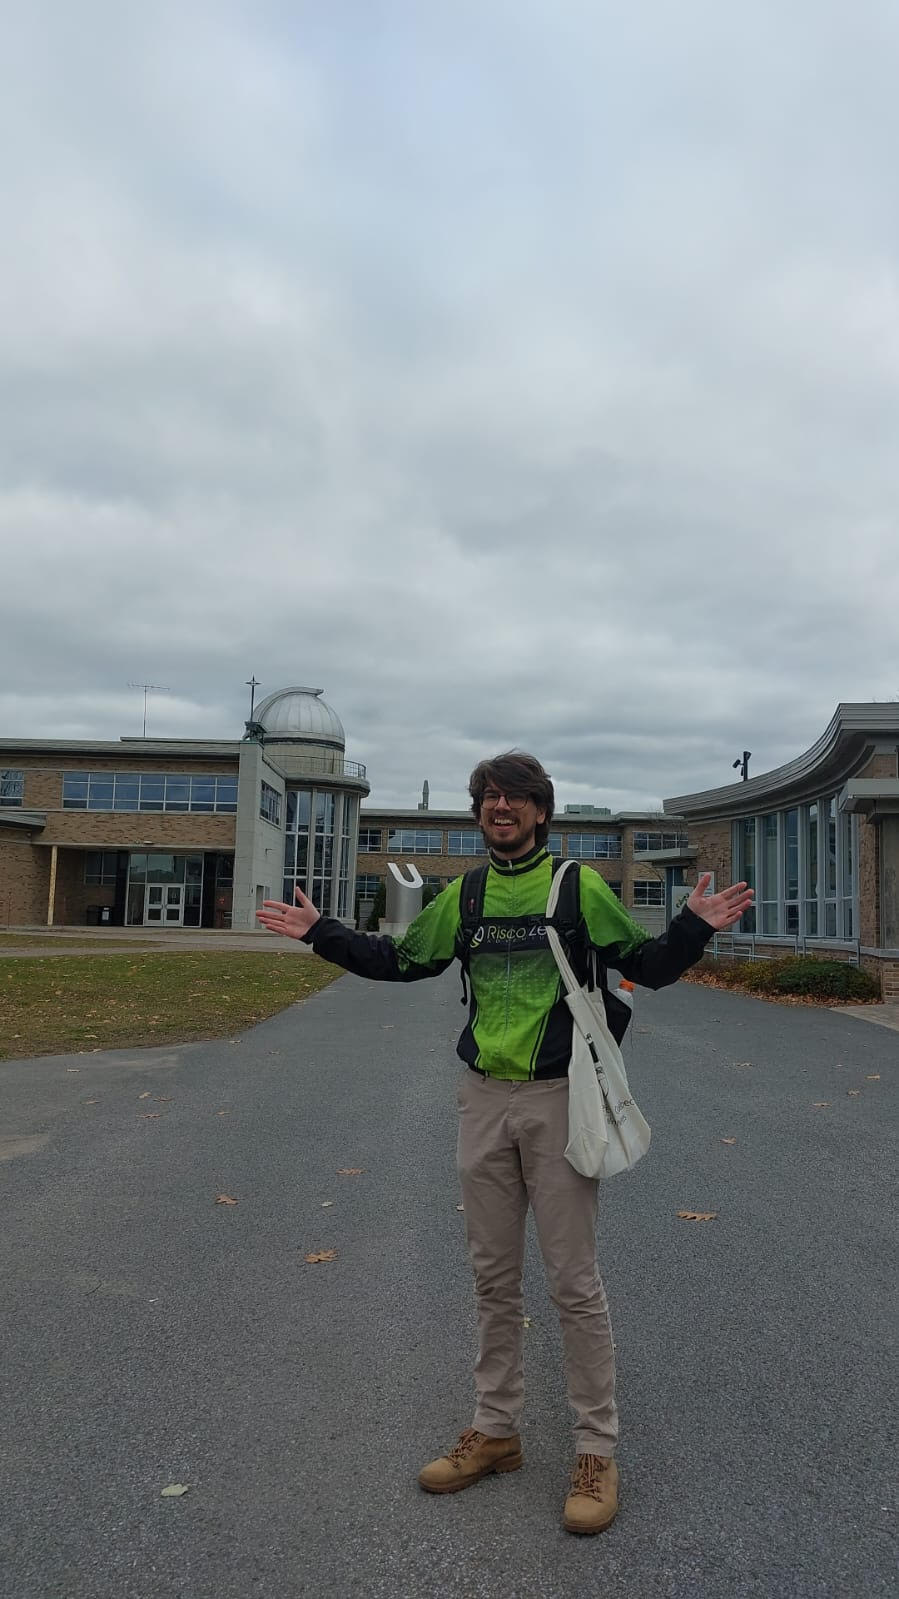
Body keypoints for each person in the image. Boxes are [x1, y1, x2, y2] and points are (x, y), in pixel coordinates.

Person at [257, 752, 753, 1535]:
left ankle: (595, 1447)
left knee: (572, 1282)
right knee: (492, 1277)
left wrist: (694, 925)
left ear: (541, 811)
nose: (499, 805)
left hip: (561, 1100)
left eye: (514, 796)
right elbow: (402, 960)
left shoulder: (577, 886)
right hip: (482, 1098)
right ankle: (496, 1431)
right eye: (488, 795)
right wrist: (322, 932)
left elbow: (645, 965)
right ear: (477, 810)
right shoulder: (466, 895)